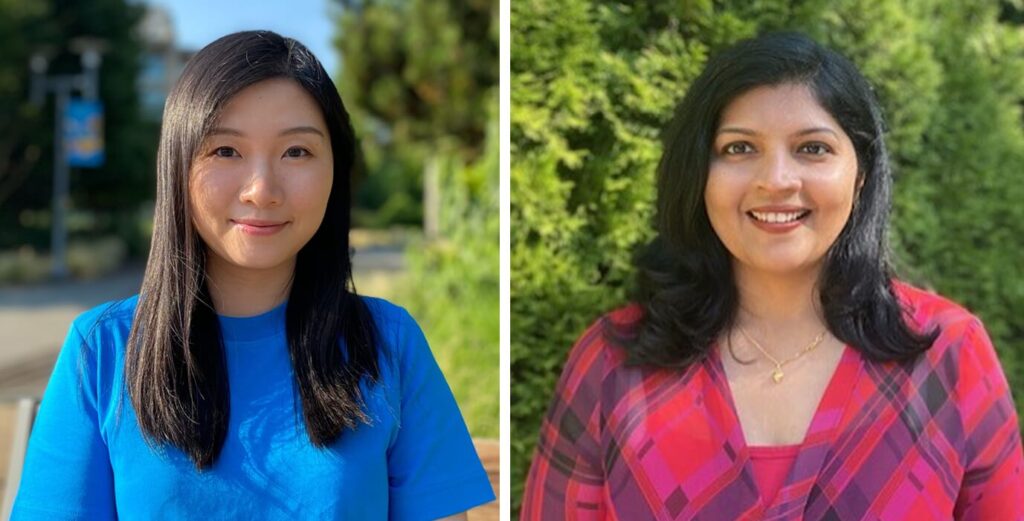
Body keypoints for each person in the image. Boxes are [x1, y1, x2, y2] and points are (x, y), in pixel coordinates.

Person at [521, 32, 1024, 520]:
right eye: (739, 149)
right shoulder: (613, 366)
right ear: (698, 173)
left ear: (861, 173)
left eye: (812, 149)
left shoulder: (946, 355)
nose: (776, 180)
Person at [12, 31, 494, 520]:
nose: (262, 190)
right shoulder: (103, 351)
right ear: (177, 166)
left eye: (297, 152)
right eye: (225, 151)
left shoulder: (390, 344)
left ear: (336, 171)